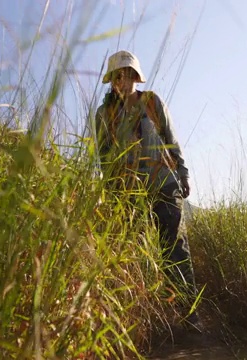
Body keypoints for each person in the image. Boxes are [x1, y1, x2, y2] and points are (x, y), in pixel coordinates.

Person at [94, 50, 201, 328]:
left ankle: (189, 317)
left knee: (175, 251)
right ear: (111, 80)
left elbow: (171, 140)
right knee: (129, 252)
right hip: (127, 195)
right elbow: (104, 157)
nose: (123, 79)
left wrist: (183, 173)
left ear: (135, 76)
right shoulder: (104, 114)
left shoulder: (152, 102)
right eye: (117, 75)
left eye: (128, 73)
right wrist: (112, 194)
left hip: (164, 186)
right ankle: (137, 322)